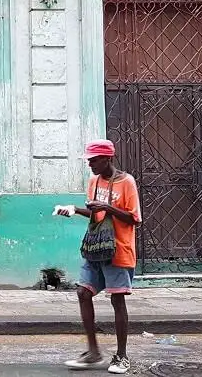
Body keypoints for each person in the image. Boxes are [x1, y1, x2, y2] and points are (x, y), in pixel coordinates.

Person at [56, 140, 141, 374]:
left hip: (118, 248)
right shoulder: (94, 181)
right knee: (83, 292)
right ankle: (93, 352)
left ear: (108, 159)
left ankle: (122, 356)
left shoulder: (127, 182)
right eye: (89, 160)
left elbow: (134, 218)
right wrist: (73, 210)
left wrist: (107, 206)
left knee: (117, 300)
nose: (90, 164)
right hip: (96, 248)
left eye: (94, 160)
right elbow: (96, 214)